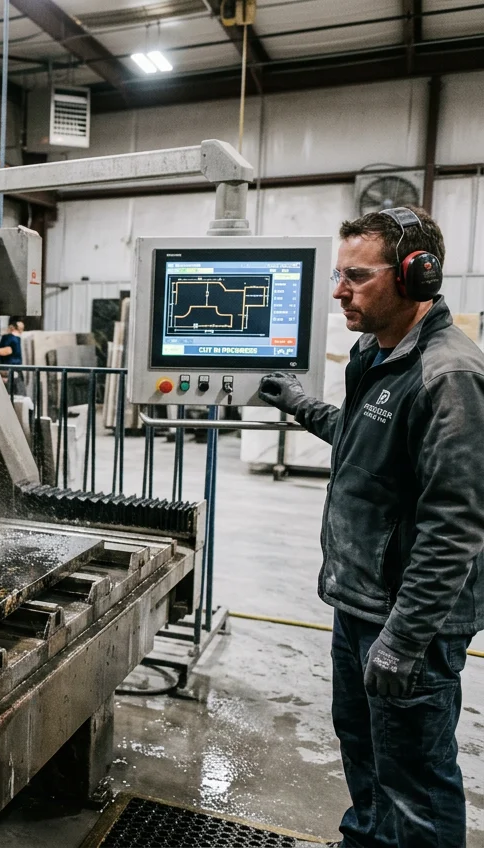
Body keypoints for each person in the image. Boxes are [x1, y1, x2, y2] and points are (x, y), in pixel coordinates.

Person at [259, 207, 484, 848]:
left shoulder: (449, 377)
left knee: (414, 781)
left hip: (407, 617)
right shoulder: (375, 355)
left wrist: (404, 641)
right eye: (338, 274)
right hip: (360, 599)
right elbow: (366, 443)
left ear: (416, 277)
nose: (338, 292)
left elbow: (455, 527)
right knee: (360, 746)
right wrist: (300, 404)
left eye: (355, 277)